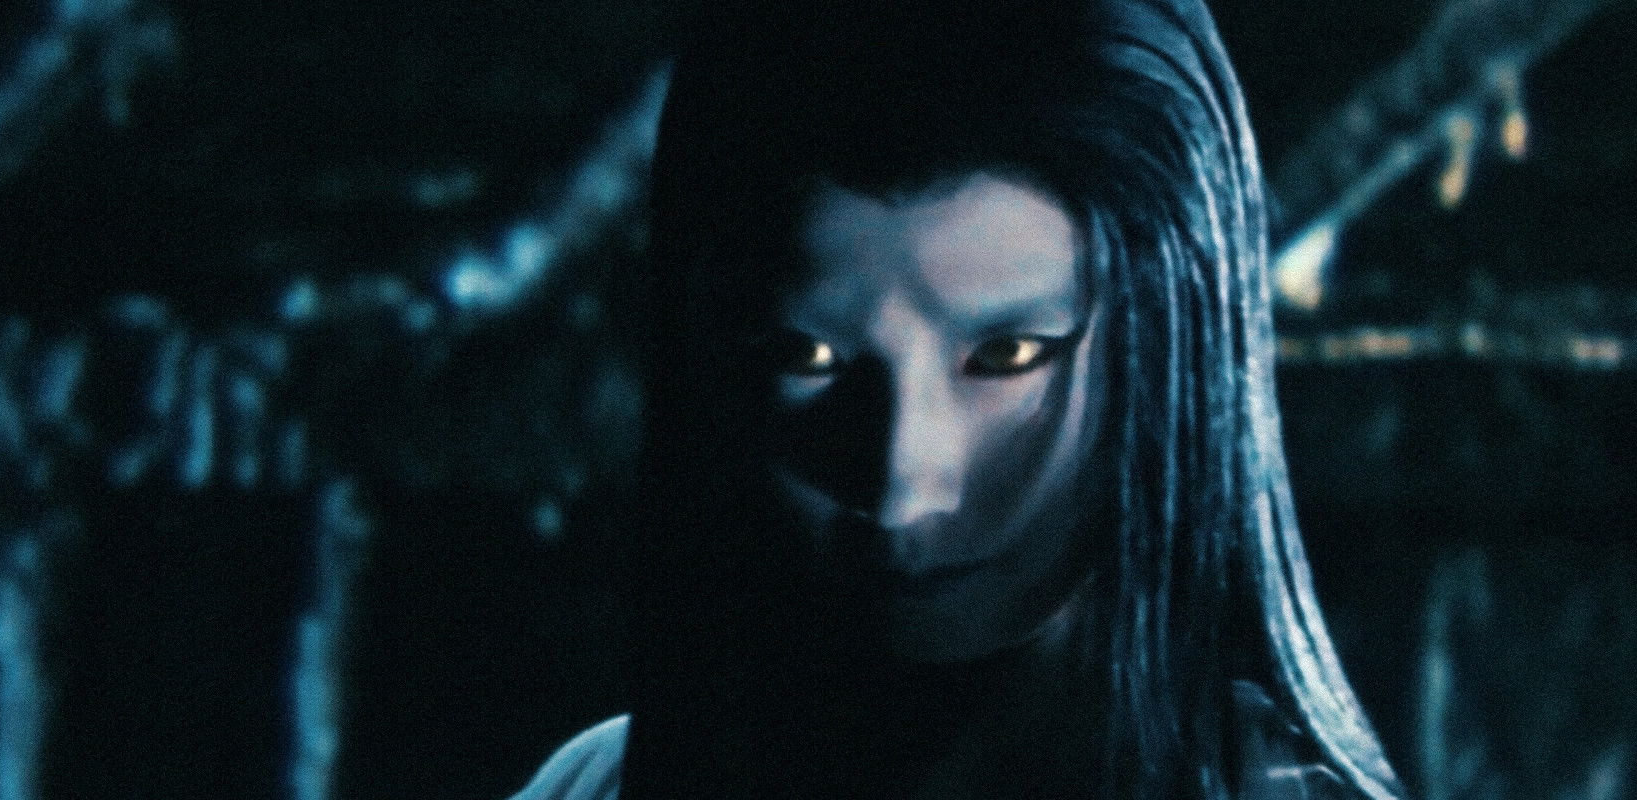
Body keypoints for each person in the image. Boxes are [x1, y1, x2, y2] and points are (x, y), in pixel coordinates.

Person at [510, 0, 1406, 797]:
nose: (901, 481)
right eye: (805, 354)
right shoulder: (603, 783)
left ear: (1167, 344)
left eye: (1008, 355)